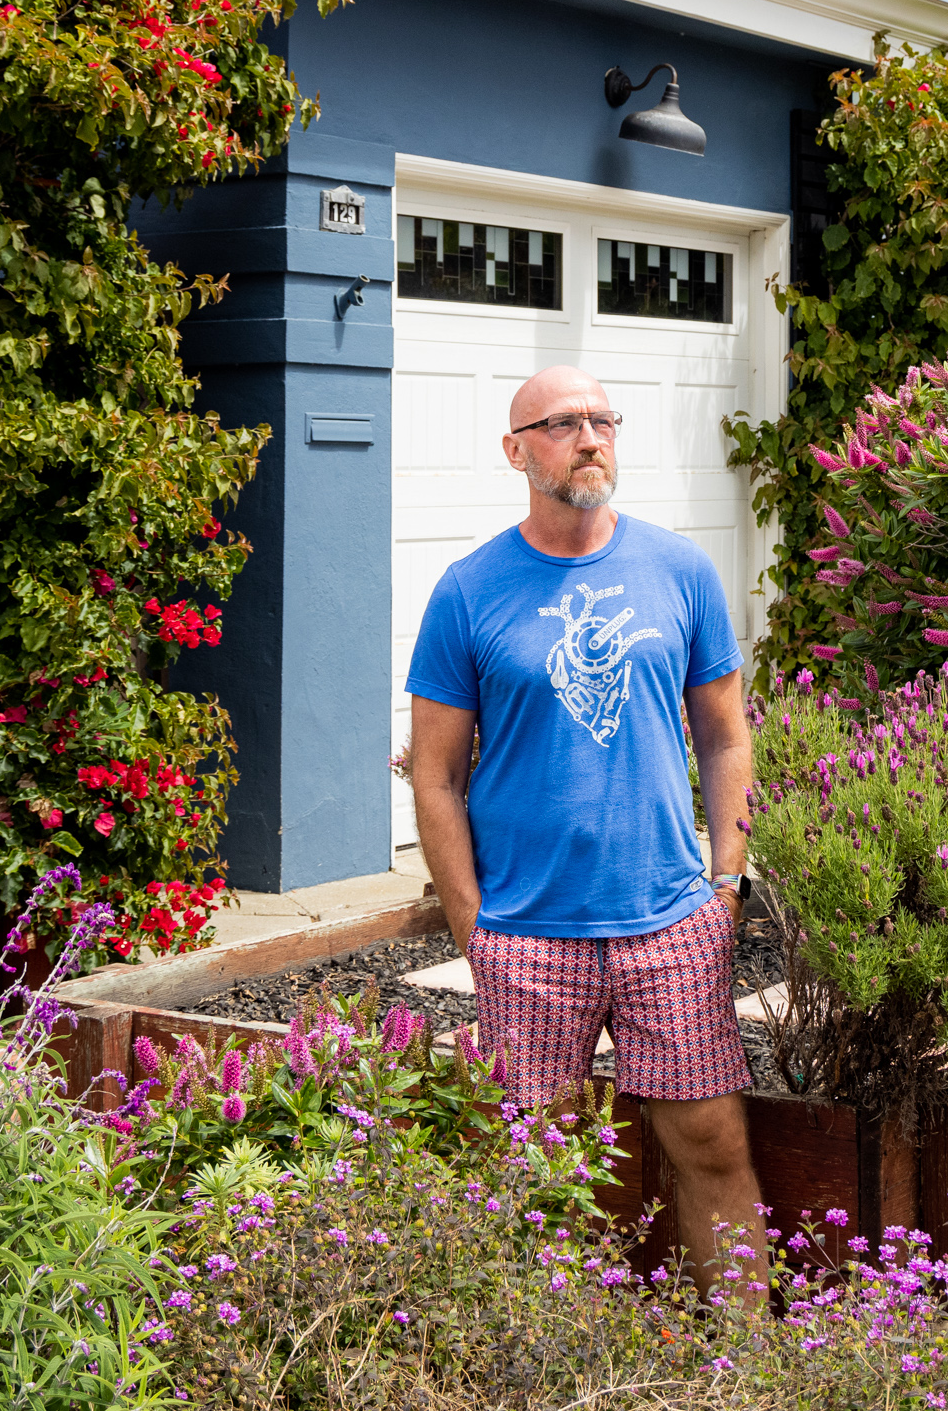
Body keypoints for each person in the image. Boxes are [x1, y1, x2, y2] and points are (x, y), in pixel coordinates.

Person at [403, 363, 764, 1287]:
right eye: (564, 422)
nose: (591, 436)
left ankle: (748, 1370)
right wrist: (470, 925)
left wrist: (727, 882)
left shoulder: (679, 570)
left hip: (671, 922)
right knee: (527, 1166)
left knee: (714, 1146)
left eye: (604, 418)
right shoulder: (468, 589)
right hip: (526, 934)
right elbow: (436, 776)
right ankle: (545, 1363)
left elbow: (725, 737)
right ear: (517, 450)